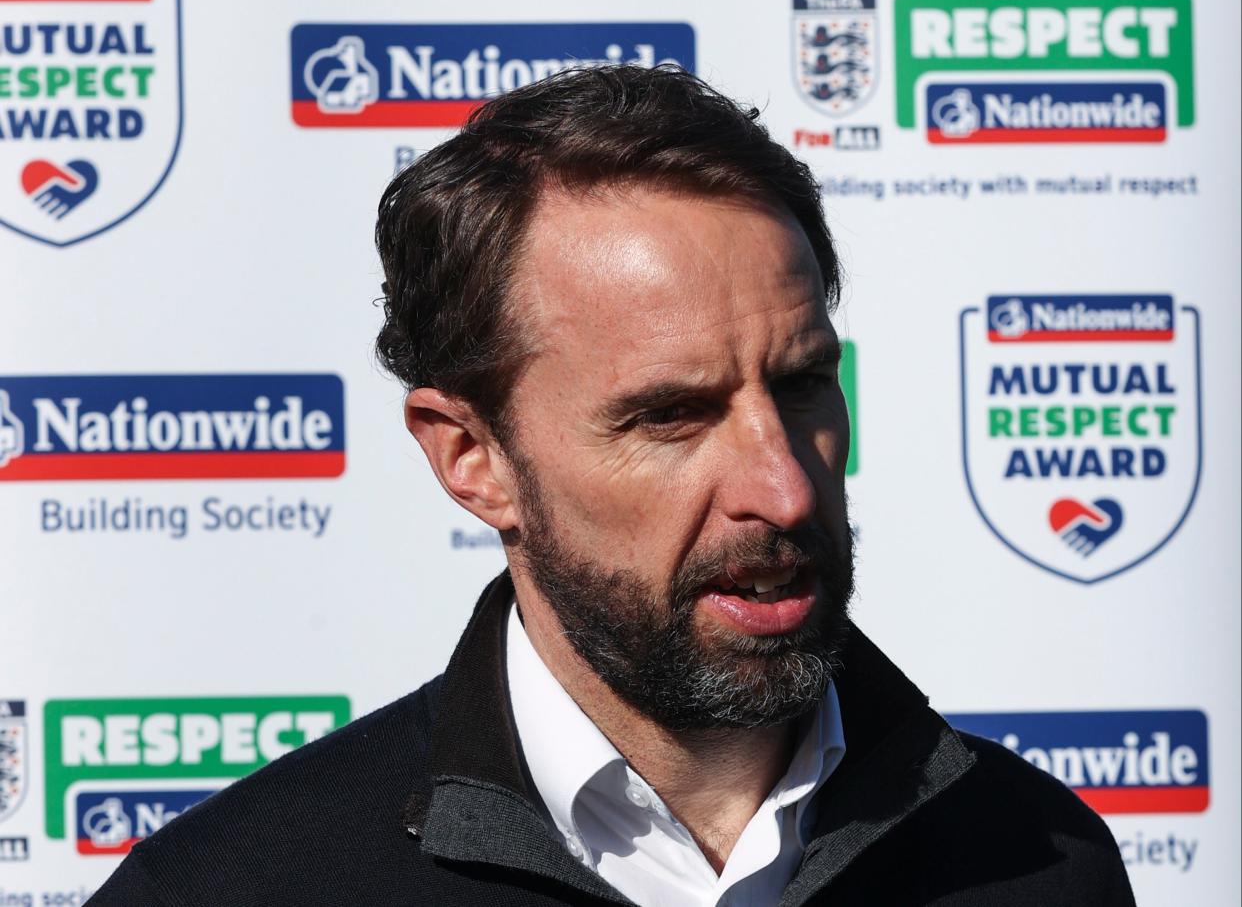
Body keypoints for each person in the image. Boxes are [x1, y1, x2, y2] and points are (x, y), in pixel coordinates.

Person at [89, 65, 1135, 906]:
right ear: (472, 458)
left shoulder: (1038, 858)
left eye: (805, 383)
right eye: (669, 415)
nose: (782, 486)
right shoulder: (235, 886)